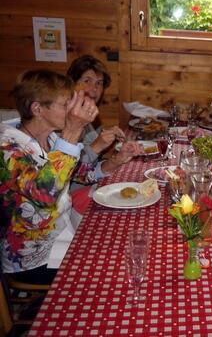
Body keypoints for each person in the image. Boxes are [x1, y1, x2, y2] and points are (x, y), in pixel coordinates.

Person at [0, 70, 100, 284]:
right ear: (38, 109)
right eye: (66, 105)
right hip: (34, 259)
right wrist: (73, 132)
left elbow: (82, 174)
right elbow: (44, 195)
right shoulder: (8, 148)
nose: (73, 111)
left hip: (65, 237)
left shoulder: (52, 137)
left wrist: (116, 161)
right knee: (107, 271)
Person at [66, 55, 125, 166]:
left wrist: (105, 134)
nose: (94, 88)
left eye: (99, 83)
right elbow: (70, 171)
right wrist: (99, 144)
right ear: (72, 83)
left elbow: (89, 151)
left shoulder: (87, 114)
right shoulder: (63, 117)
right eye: (87, 81)